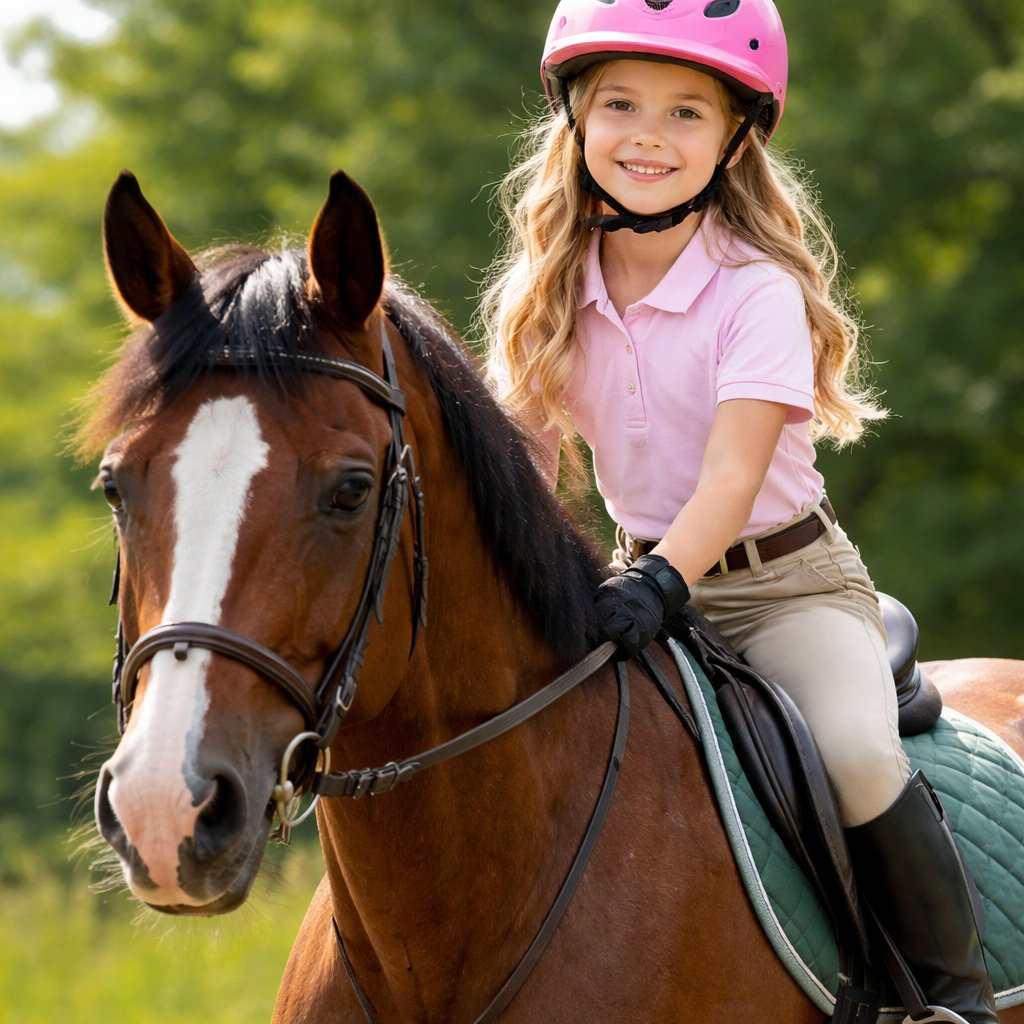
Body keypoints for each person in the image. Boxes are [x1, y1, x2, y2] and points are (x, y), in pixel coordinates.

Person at [480, 1, 999, 1020]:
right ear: (575, 120)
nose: (648, 136)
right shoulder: (546, 291)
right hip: (631, 586)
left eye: (685, 113)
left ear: (731, 141)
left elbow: (729, 477)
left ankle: (949, 993)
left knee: (853, 751)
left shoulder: (753, 291)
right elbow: (525, 470)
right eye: (621, 104)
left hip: (781, 587)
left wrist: (663, 580)